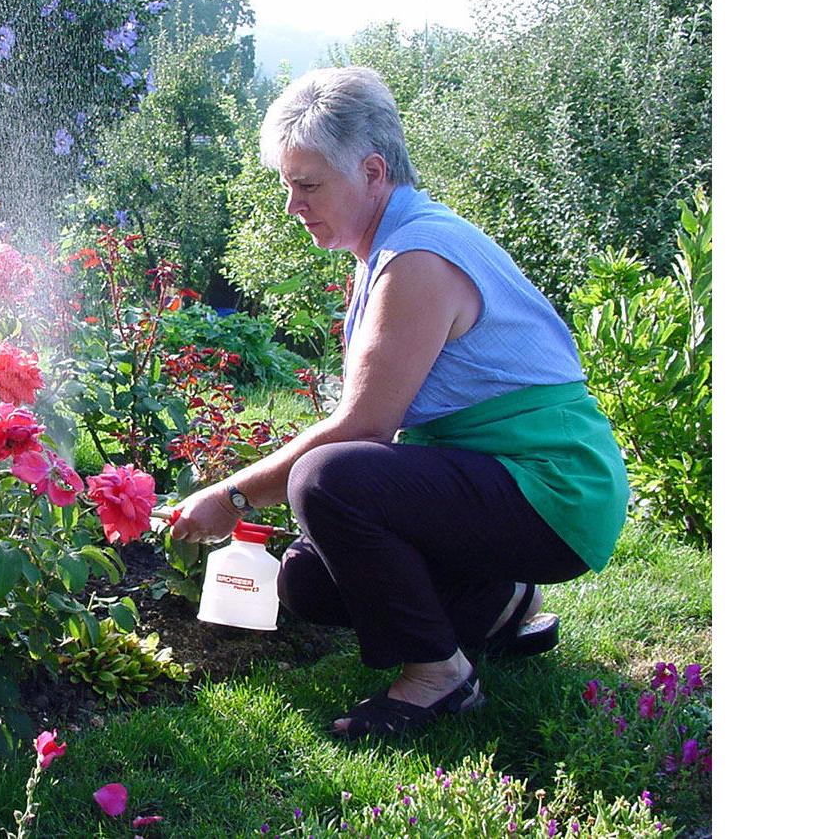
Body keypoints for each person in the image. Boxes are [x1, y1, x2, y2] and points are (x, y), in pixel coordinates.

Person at [169, 67, 629, 741]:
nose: (293, 206)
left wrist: (233, 497)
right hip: (502, 478)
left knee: (327, 480)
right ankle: (498, 604)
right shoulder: (389, 245)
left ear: (374, 172)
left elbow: (366, 429)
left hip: (556, 489)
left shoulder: (417, 257)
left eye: (308, 185)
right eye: (287, 185)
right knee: (309, 579)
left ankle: (438, 676)